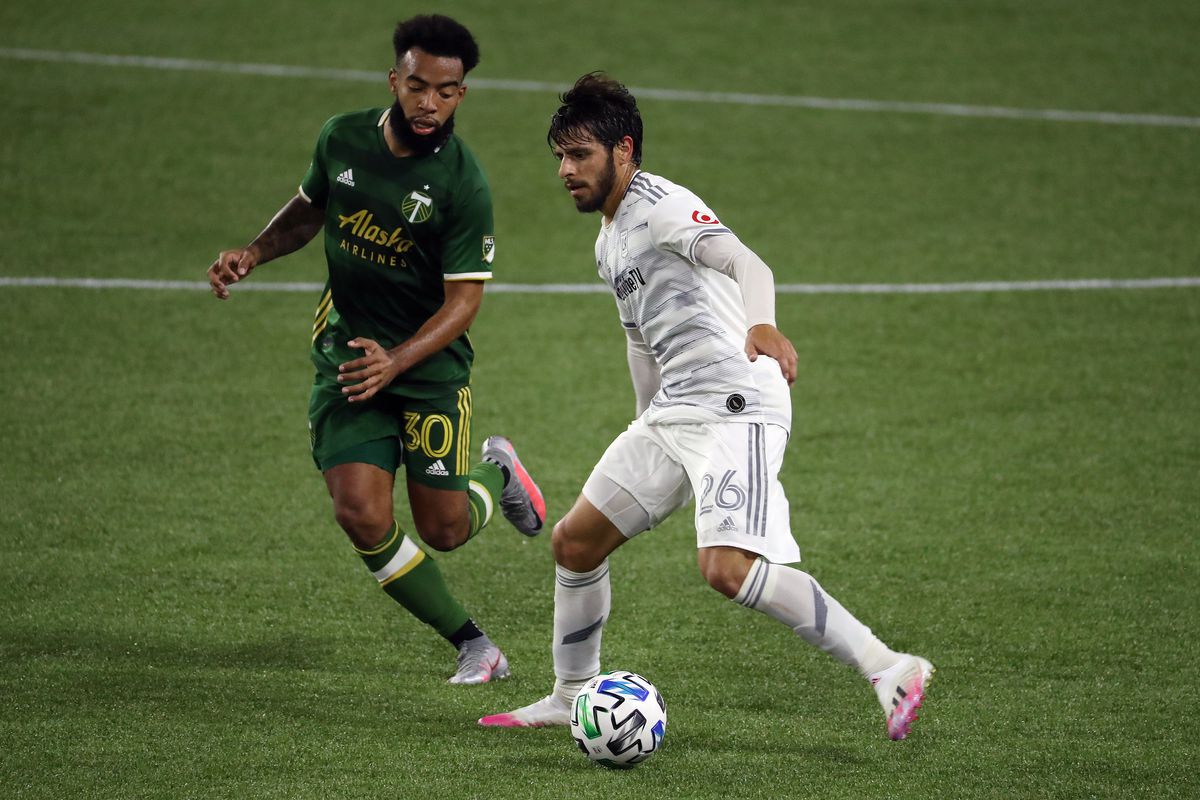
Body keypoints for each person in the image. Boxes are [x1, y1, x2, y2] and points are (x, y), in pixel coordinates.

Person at [479, 73, 933, 738]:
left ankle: (890, 667)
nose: (565, 171)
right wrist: (643, 418)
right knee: (575, 543)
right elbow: (640, 339)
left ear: (624, 150)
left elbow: (749, 265)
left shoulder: (663, 208)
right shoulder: (608, 241)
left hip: (736, 403)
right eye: (560, 157)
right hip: (674, 412)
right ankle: (570, 692)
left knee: (726, 569)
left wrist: (763, 325)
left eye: (580, 155)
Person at [206, 14, 545, 685]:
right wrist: (254, 251)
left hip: (427, 372)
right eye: (417, 86)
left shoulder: (462, 184)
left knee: (445, 528)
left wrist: (400, 359)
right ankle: (475, 644)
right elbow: (308, 209)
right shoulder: (343, 138)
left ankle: (499, 474)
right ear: (395, 79)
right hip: (349, 359)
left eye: (446, 91)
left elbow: (465, 301)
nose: (429, 103)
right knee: (360, 512)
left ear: (461, 95)